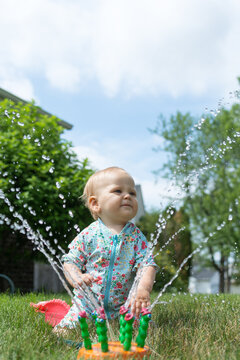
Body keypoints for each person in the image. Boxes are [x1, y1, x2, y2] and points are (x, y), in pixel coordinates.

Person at [55, 166, 157, 329]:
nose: (127, 196)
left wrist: (143, 289)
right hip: (88, 303)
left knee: (145, 327)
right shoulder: (89, 234)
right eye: (118, 191)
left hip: (123, 305)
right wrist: (77, 278)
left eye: (132, 193)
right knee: (65, 330)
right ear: (95, 204)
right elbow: (70, 261)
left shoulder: (136, 237)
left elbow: (147, 265)